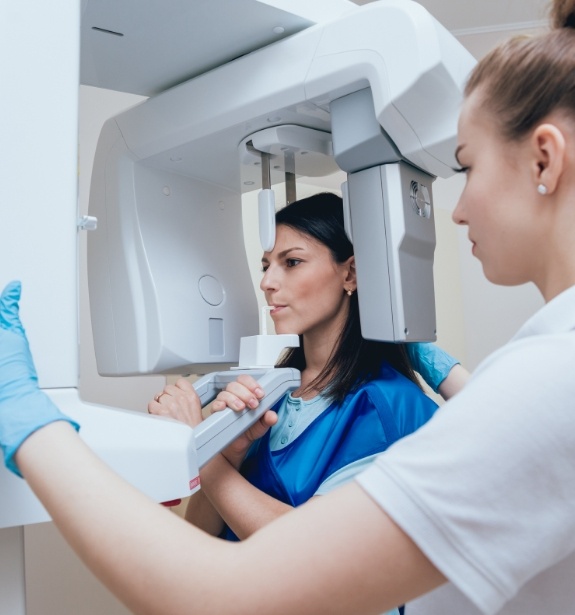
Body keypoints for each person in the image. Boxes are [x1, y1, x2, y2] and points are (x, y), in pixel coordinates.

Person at [3, 0, 575, 611]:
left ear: (544, 158)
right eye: (265, 264)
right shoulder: (263, 400)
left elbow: (224, 590)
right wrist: (217, 452)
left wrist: (32, 421)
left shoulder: (525, 382)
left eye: (467, 167)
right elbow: (201, 542)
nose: (455, 210)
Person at [147, 193, 456, 554]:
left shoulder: (385, 406)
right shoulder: (265, 392)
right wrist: (228, 453)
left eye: (291, 262)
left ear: (351, 273)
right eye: (266, 266)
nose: (267, 282)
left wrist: (200, 449)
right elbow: (201, 534)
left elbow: (307, 550)